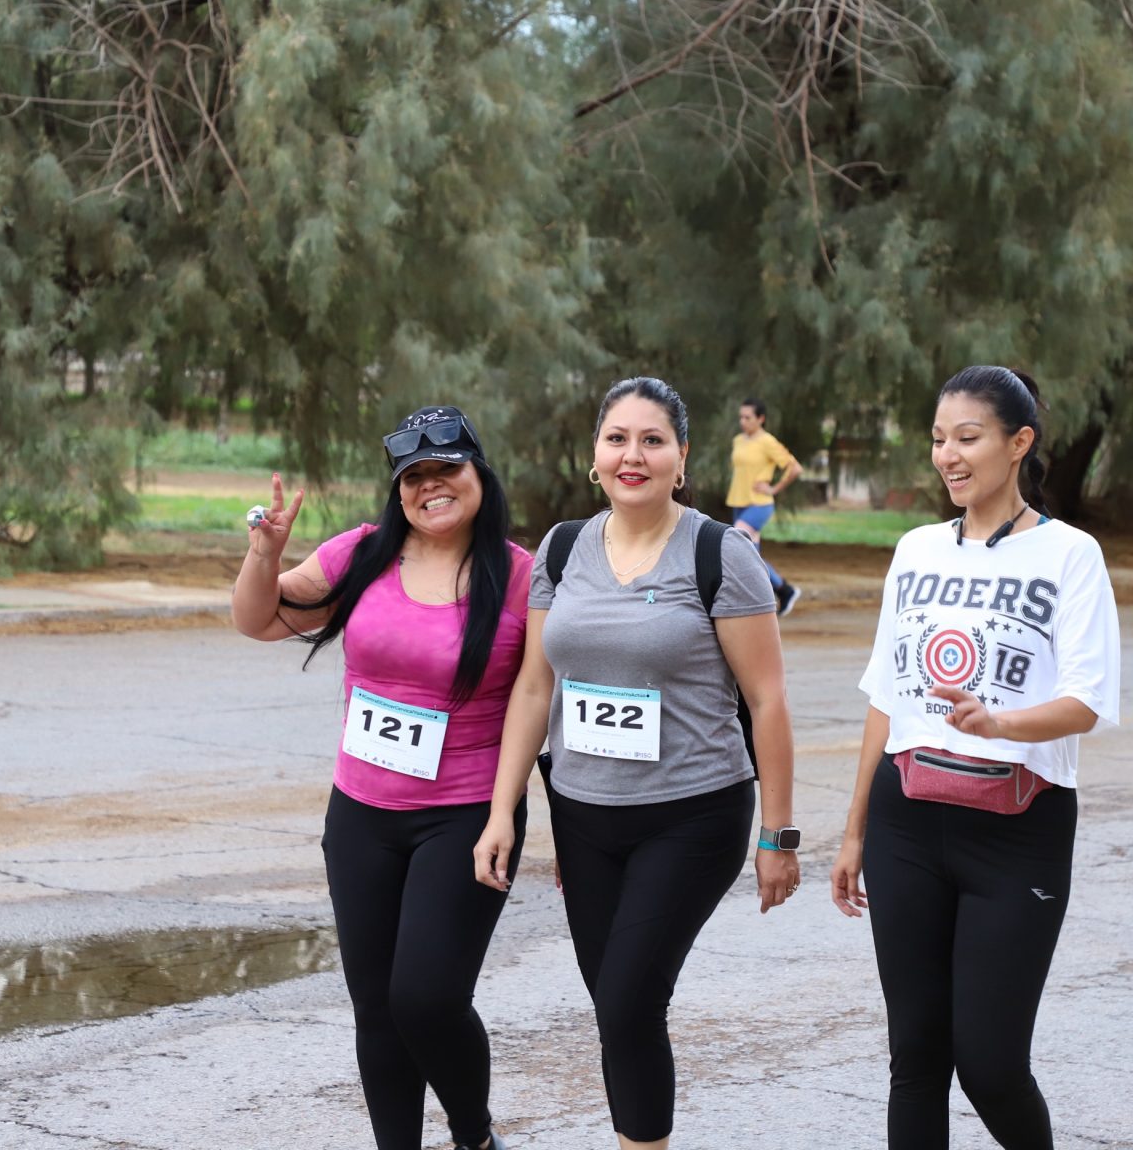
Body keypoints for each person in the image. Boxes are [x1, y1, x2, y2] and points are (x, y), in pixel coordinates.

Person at [471, 376, 801, 1150]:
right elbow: (535, 687)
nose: (633, 455)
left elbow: (768, 701)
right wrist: (500, 810)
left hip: (693, 815)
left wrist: (778, 836)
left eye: (652, 441)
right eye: (617, 438)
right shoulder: (561, 550)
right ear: (595, 454)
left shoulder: (720, 554)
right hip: (584, 816)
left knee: (627, 1004)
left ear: (681, 457)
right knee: (617, 1012)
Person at [828, 367, 1121, 1150]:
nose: (947, 456)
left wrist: (1000, 724)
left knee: (990, 1066)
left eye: (967, 438)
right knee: (916, 1060)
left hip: (1018, 829)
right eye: (937, 440)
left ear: (1019, 443)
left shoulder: (1071, 555)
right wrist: (855, 831)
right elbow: (886, 698)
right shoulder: (916, 549)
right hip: (906, 823)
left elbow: (1087, 701)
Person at [231, 405, 530, 1150]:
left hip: (465, 815)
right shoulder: (361, 555)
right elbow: (257, 620)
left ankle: (474, 1135)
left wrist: (505, 814)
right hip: (361, 814)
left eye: (446, 469)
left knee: (425, 999)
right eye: (413, 477)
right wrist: (265, 555)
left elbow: (537, 698)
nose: (430, 486)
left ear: (480, 474)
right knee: (376, 1008)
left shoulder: (523, 577)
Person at [725, 397, 804, 616]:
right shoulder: (738, 440)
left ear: (761, 419)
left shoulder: (767, 442)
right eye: (741, 417)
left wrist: (774, 488)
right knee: (750, 559)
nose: (743, 421)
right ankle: (783, 591)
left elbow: (795, 468)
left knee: (737, 541)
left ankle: (774, 594)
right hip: (738, 503)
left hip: (759, 504)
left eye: (748, 417)